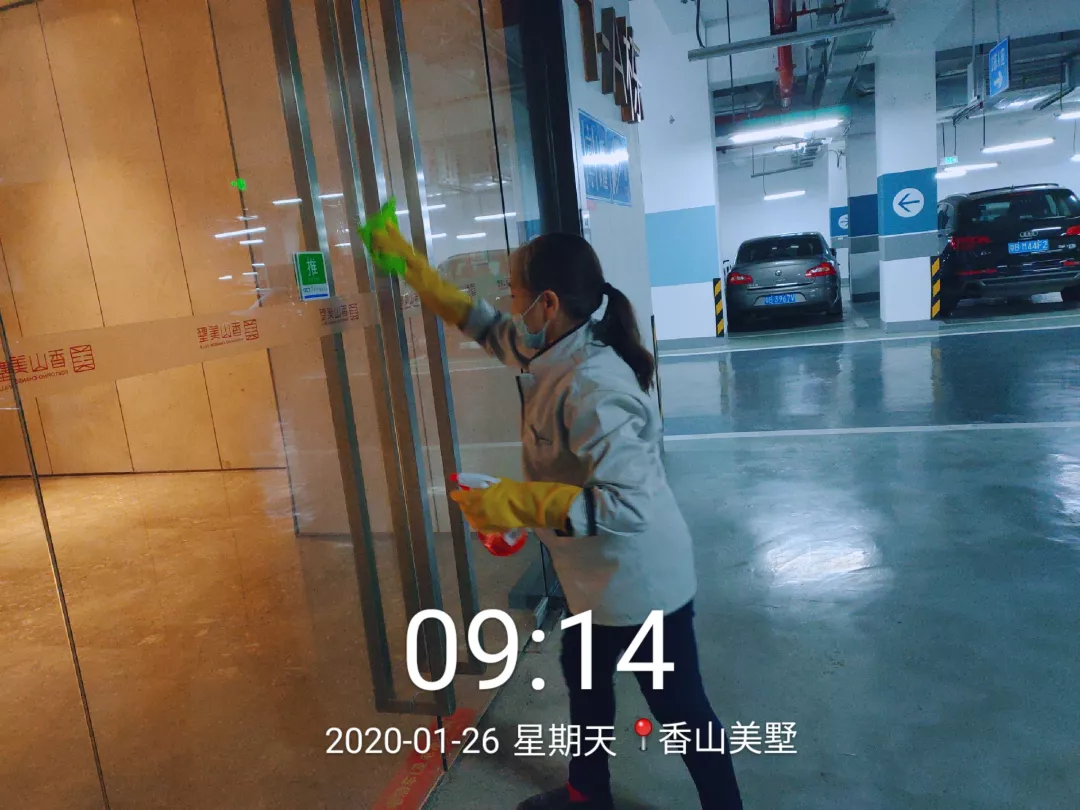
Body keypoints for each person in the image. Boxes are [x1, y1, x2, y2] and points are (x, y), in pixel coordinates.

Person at [368, 221, 743, 810]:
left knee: (681, 712)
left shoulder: (594, 386)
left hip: (641, 585)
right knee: (585, 680)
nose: (507, 303)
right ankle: (586, 795)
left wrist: (517, 502)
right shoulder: (550, 348)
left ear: (546, 303)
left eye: (514, 292)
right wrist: (415, 270)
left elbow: (628, 504)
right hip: (593, 577)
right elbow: (483, 326)